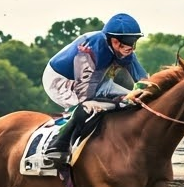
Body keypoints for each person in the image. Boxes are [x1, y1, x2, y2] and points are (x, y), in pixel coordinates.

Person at [40, 13, 149, 169]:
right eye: (129, 42)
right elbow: (85, 96)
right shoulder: (90, 52)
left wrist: (146, 92)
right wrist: (118, 103)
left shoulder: (124, 49)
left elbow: (144, 81)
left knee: (132, 102)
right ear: (114, 41)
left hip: (98, 80)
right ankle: (57, 144)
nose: (132, 47)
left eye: (135, 41)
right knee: (89, 107)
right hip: (60, 81)